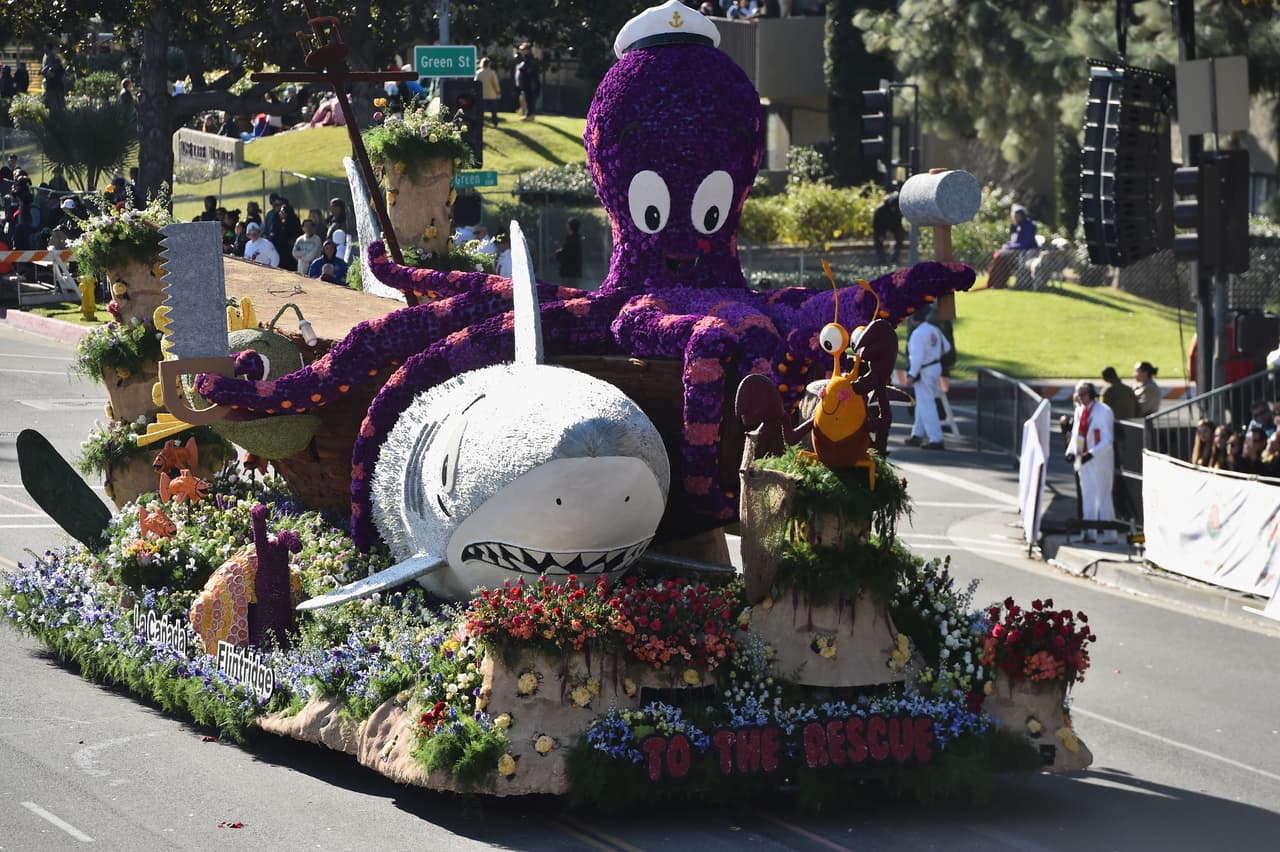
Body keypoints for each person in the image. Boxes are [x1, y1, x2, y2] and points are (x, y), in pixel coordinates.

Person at [1065, 381, 1116, 544]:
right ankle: (1089, 533)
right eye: (1078, 395)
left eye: (1083, 394)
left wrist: (1092, 454)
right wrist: (1071, 452)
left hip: (1100, 461)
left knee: (1103, 496)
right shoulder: (1080, 411)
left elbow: (1108, 439)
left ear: (1092, 394)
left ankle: (1110, 534)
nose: (1080, 398)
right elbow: (1076, 435)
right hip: (1084, 460)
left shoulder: (1104, 411)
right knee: (1087, 497)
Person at [904, 308, 952, 450]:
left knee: (927, 404)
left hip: (924, 369)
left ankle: (936, 438)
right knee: (923, 402)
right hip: (935, 366)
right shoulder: (934, 329)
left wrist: (912, 375)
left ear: (914, 320)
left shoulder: (917, 334)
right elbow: (947, 347)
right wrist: (934, 354)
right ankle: (917, 435)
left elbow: (917, 357)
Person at [985, 204, 1038, 289]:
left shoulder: (1029, 225)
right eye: (1014, 216)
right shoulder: (1016, 226)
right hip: (1015, 251)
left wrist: (1010, 247)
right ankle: (996, 282)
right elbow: (1014, 241)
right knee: (998, 255)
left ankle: (999, 283)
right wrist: (1007, 245)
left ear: (1022, 216)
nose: (1015, 218)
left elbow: (1025, 244)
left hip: (1027, 252)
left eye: (1017, 216)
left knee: (1001, 256)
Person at [872, 192, 907, 266]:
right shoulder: (880, 210)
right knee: (878, 239)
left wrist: (899, 232)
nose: (894, 210)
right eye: (892, 208)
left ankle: (895, 258)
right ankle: (882, 260)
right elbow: (877, 226)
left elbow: (898, 222)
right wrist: (880, 234)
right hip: (881, 225)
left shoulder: (899, 208)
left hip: (894, 223)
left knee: (900, 235)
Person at [272, 200, 303, 272]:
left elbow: (296, 235)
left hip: (290, 251)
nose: (280, 214)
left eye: (282, 212)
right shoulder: (278, 222)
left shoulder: (294, 222)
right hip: (280, 249)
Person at [514, 43, 541, 121]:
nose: (521, 51)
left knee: (530, 100)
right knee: (527, 99)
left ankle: (529, 115)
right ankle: (528, 114)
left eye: (523, 50)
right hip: (526, 84)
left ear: (527, 50)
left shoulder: (530, 59)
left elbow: (528, 71)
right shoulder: (525, 59)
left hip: (529, 84)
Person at [475, 57, 502, 128]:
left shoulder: (478, 73)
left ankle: (481, 122)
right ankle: (495, 123)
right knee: (493, 110)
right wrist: (498, 92)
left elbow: (475, 83)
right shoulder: (492, 73)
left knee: (481, 111)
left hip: (481, 95)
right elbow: (495, 83)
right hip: (491, 94)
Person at [40, 43, 66, 111]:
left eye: (46, 47)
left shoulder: (51, 55)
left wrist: (44, 71)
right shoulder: (46, 55)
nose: (44, 49)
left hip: (54, 85)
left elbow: (49, 66)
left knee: (54, 99)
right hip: (50, 83)